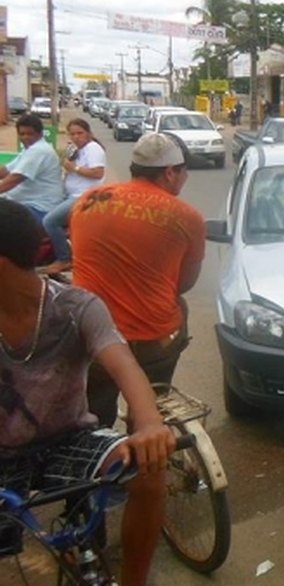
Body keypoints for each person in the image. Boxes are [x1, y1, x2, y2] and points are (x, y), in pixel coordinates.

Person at [0, 199, 176, 586]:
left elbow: (123, 363)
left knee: (149, 469)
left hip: (70, 438)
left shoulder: (76, 306)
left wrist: (148, 423)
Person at [70, 133, 205, 428]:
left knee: (96, 410)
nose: (184, 178)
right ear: (170, 172)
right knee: (152, 403)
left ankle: (100, 449)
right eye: (184, 171)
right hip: (153, 339)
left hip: (93, 337)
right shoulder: (188, 217)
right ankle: (146, 430)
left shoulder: (87, 200)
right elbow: (184, 284)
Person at [40, 119, 107, 275]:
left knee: (49, 221)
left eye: (80, 133)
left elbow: (98, 173)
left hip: (84, 196)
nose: (76, 137)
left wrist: (74, 168)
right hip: (70, 194)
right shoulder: (78, 149)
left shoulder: (93, 148)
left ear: (88, 133)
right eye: (72, 134)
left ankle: (64, 258)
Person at [0, 114, 65, 224]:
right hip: (24, 203)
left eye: (30, 134)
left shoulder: (39, 150)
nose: (25, 137)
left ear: (39, 134)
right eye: (22, 134)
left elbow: (15, 179)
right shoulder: (28, 150)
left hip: (38, 208)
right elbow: (6, 172)